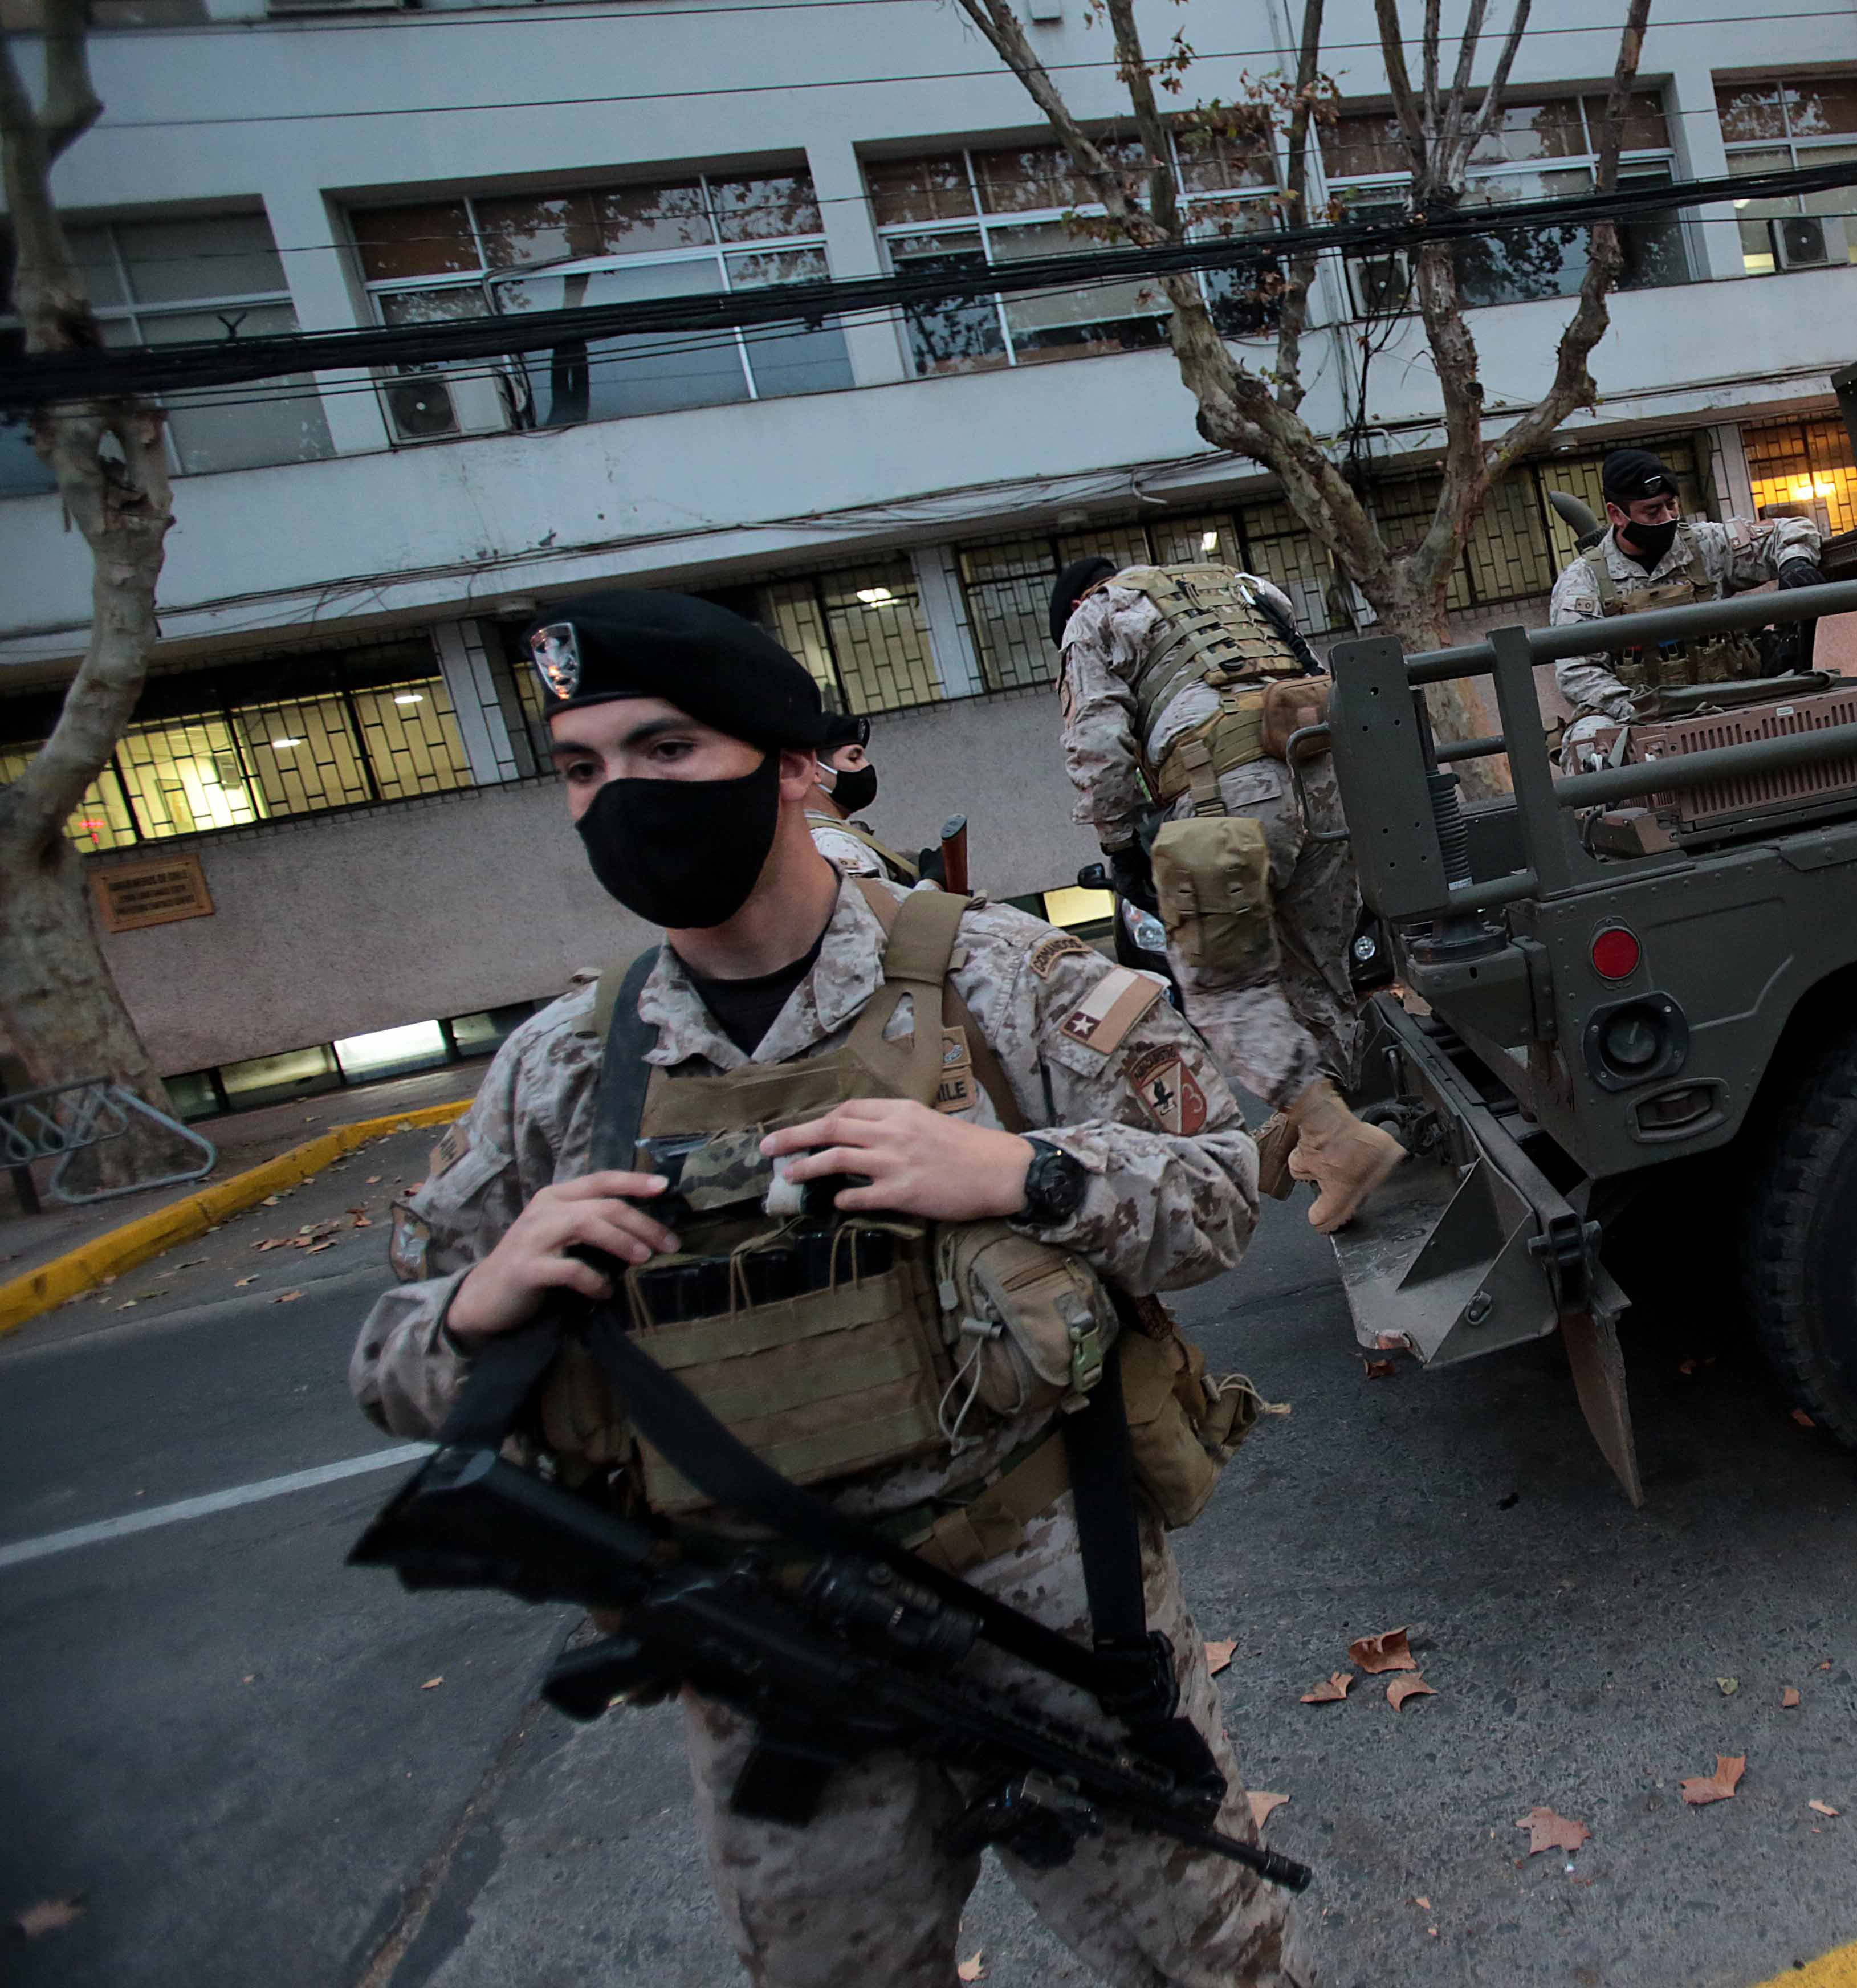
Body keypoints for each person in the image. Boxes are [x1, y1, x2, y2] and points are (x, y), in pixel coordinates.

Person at [352, 591, 1303, 1988]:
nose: (621, 798)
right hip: (762, 1649)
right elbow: (389, 1369)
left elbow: (1222, 1194)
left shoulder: (999, 973)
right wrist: (476, 1303)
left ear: (797, 765)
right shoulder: (567, 1068)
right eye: (582, 768)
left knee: (1222, 1974)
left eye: (665, 750)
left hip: (1049, 1600)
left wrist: (1018, 1174)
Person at [1057, 556, 1400, 1233]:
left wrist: (1121, 843)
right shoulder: (1241, 587)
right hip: (1327, 776)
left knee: (1219, 985)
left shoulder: (1093, 618)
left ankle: (1334, 1139)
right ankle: (1304, 1138)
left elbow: (1096, 744)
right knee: (1320, 972)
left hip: (1229, 794)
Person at [1544, 448, 1828, 763]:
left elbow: (1790, 530)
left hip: (1730, 697)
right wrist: (1640, 709)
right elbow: (1578, 672)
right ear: (1616, 515)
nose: (1666, 518)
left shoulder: (1706, 545)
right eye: (1652, 512)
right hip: (1640, 717)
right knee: (1588, 743)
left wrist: (1796, 563)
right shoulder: (1583, 580)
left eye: (1671, 505)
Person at [805, 710, 921, 884]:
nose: (867, 766)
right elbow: (875, 909)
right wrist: (934, 881)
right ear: (814, 770)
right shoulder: (832, 843)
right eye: (854, 758)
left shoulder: (829, 835)